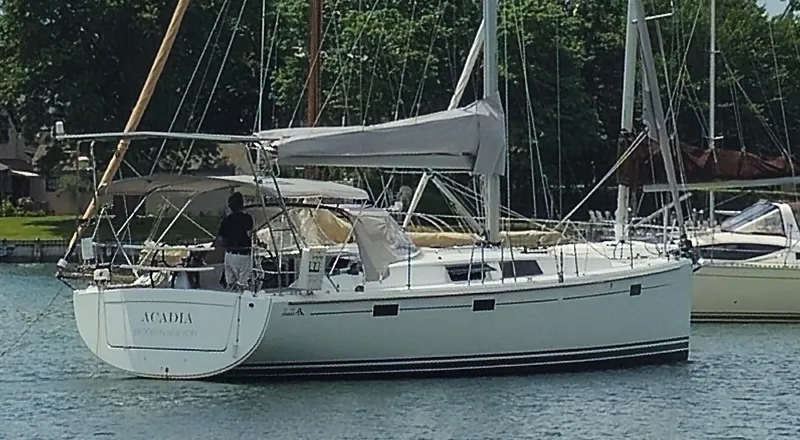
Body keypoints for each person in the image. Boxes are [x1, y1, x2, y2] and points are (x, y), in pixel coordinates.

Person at [216, 191, 254, 289]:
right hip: (244, 254)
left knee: (230, 283)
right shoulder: (247, 218)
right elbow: (251, 235)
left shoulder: (226, 220)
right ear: (242, 204)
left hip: (229, 254)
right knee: (243, 283)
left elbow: (221, 239)